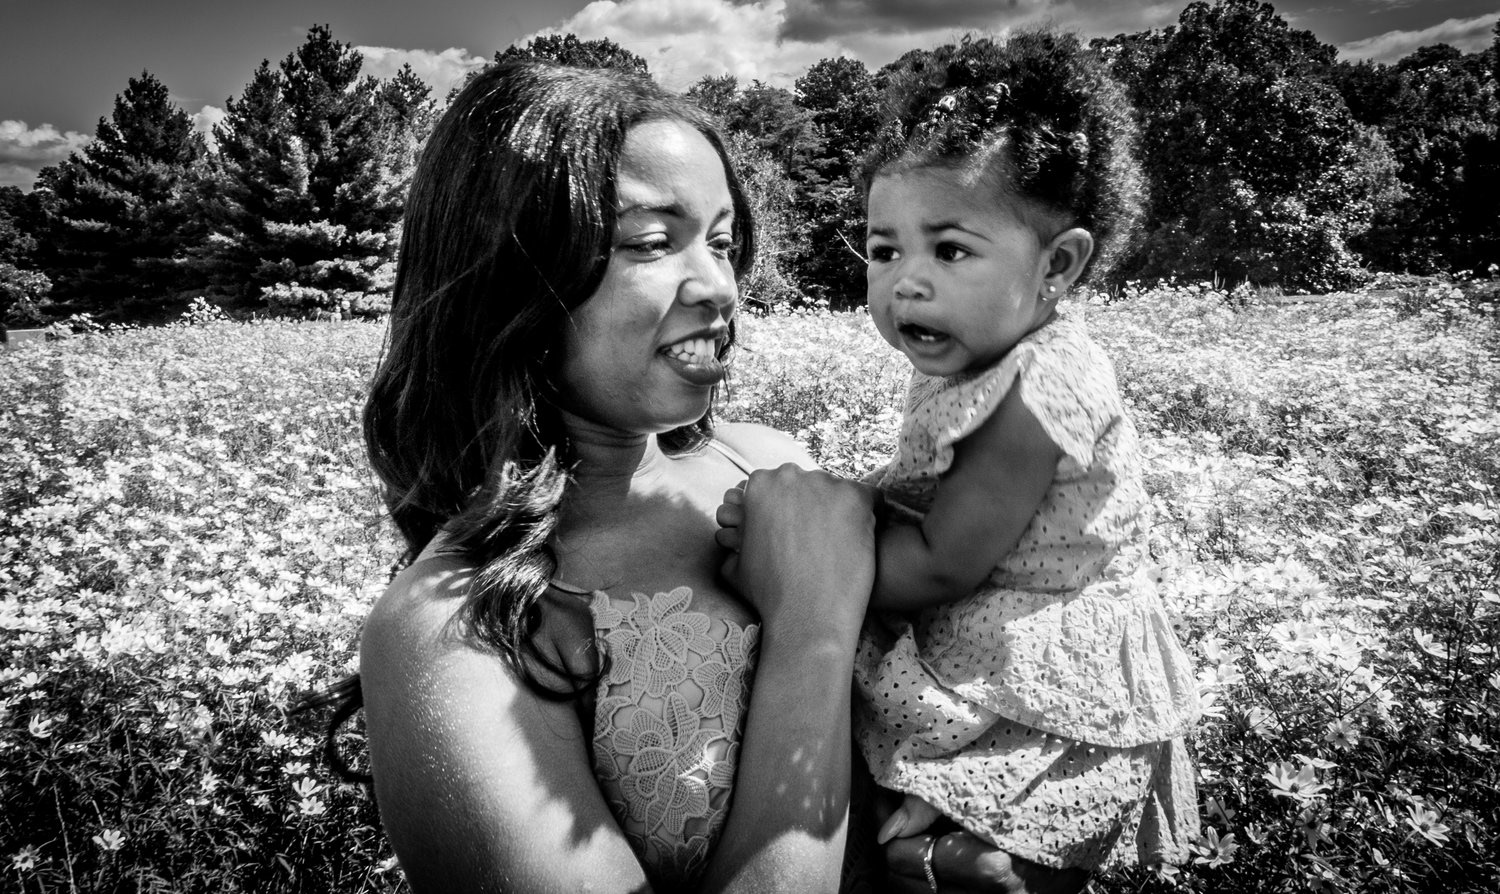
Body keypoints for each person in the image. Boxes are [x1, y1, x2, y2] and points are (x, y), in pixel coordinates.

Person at [345, 58, 1071, 893]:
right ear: (508, 270)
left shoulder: (773, 466)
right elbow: (823, 647)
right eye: (654, 243)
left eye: (722, 243)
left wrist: (976, 835)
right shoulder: (449, 629)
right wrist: (810, 627)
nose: (719, 287)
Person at [729, 31, 1201, 885]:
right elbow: (924, 498)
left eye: (949, 250)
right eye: (885, 251)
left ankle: (982, 863)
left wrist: (794, 557)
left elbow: (943, 562)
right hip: (993, 637)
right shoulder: (979, 356)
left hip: (1034, 665)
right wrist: (838, 506)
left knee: (981, 818)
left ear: (1059, 265)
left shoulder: (1036, 388)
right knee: (898, 805)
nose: (907, 281)